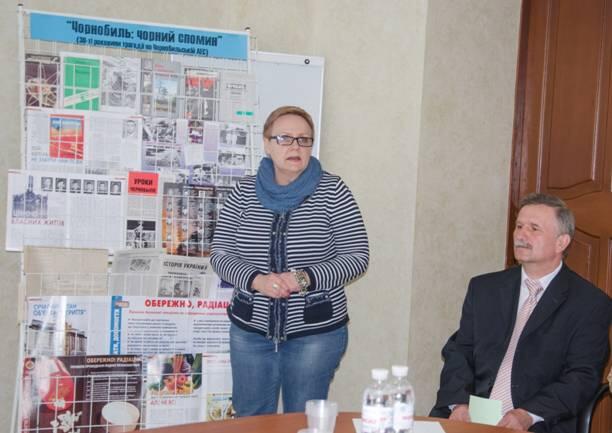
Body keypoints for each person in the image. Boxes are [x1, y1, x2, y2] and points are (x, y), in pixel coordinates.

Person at [210, 106, 369, 416]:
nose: (295, 146)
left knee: (303, 419)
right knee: (250, 418)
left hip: (315, 334)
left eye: (304, 139)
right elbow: (221, 254)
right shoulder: (243, 192)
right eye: (284, 138)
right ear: (267, 144)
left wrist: (303, 279)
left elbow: (357, 257)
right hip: (250, 331)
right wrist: (256, 281)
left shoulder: (333, 191)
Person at [430, 193, 611, 433]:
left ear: (561, 242)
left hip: (538, 422)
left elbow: (582, 376)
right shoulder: (484, 288)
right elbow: (459, 350)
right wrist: (458, 403)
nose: (521, 235)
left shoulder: (590, 303)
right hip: (470, 416)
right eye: (519, 226)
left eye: (534, 228)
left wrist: (527, 415)